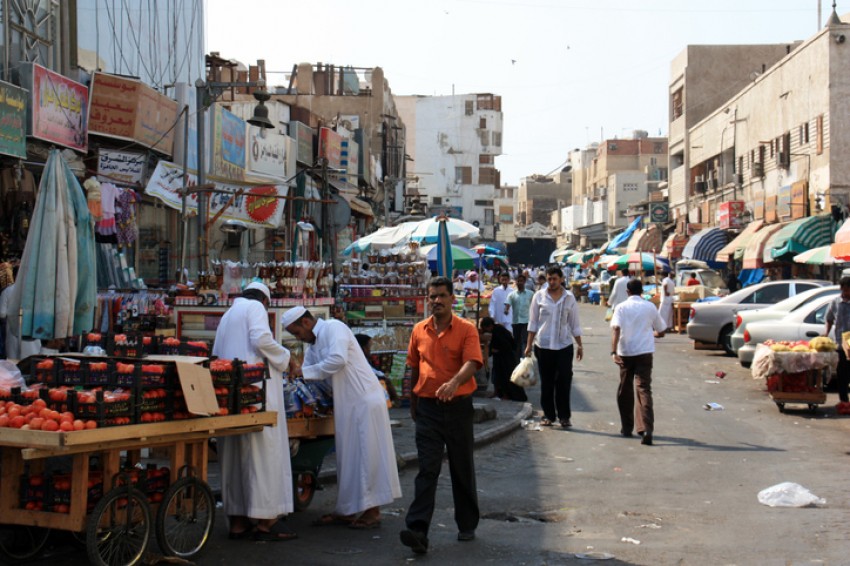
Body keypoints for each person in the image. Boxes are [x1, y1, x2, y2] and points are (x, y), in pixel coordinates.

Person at [284, 307, 402, 529]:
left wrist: (303, 373)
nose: (297, 338)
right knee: (348, 460)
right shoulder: (313, 345)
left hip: (363, 400)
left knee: (367, 456)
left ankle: (372, 512)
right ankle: (347, 510)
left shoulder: (334, 328)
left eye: (297, 333)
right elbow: (308, 370)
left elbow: (337, 360)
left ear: (307, 323)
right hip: (346, 404)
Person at [400, 276, 484, 555]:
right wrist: (412, 400)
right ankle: (418, 530)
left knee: (462, 466)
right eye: (432, 296)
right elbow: (414, 367)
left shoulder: (466, 329)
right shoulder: (419, 330)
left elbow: (473, 362)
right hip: (427, 409)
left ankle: (467, 523)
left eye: (441, 296)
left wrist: (454, 383)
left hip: (458, 408)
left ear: (452, 299)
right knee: (428, 468)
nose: (436, 300)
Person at [213, 281, 298, 541]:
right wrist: (287, 358)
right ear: (265, 301)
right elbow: (261, 339)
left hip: (233, 396)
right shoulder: (255, 308)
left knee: (235, 458)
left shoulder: (228, 314)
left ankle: (238, 522)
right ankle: (265, 522)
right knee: (265, 455)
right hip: (257, 393)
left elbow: (216, 353)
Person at [524, 266, 583, 427]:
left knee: (564, 380)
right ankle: (548, 415)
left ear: (561, 279)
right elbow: (533, 322)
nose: (551, 282)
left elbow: (574, 324)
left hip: (564, 345)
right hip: (543, 345)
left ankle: (564, 416)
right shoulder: (539, 296)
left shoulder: (569, 298)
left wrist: (580, 345)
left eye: (554, 279)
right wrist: (529, 345)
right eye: (549, 279)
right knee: (547, 382)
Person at [610, 278, 666, 446]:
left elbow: (616, 328)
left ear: (627, 292)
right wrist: (652, 334)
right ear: (642, 291)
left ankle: (627, 427)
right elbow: (661, 330)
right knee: (643, 389)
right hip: (644, 352)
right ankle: (646, 428)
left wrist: (613, 351)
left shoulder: (620, 307)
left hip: (626, 353)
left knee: (625, 388)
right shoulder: (650, 307)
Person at [479, 317, 527, 402]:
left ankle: (506, 395)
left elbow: (506, 345)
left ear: (489, 326)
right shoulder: (496, 329)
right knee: (496, 377)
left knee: (505, 378)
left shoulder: (498, 331)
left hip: (506, 360)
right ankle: (497, 393)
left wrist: (495, 350)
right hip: (500, 359)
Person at [824, 276, 850, 404]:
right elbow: (829, 319)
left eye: (848, 290)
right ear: (841, 289)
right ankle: (844, 401)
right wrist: (826, 332)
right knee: (842, 374)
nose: (846, 293)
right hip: (840, 345)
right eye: (844, 290)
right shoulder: (835, 302)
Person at [355, 333, 400, 405]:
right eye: (369, 347)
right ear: (364, 348)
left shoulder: (363, 359)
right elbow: (372, 372)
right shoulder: (358, 361)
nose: (370, 350)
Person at [506, 273, 534, 359]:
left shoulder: (530, 294)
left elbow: (535, 306)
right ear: (516, 282)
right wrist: (506, 310)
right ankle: (517, 360)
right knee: (516, 341)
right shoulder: (512, 294)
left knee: (525, 341)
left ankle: (526, 358)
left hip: (526, 321)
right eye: (518, 281)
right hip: (516, 321)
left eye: (521, 281)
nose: (520, 282)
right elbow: (507, 304)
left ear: (524, 282)